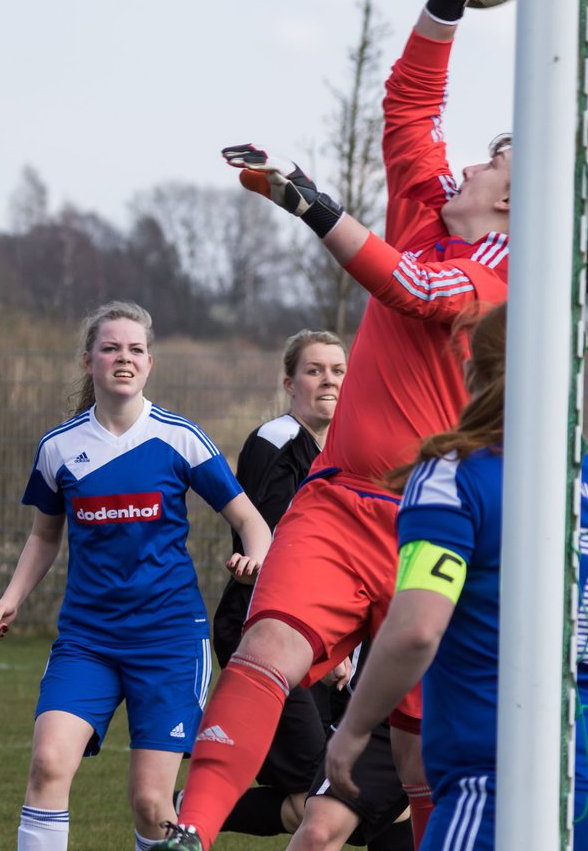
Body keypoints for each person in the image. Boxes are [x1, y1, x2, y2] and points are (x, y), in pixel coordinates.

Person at [158, 0, 522, 847]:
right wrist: (446, 5)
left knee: (424, 755)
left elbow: (417, 292)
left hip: (434, 525)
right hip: (336, 502)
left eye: (491, 165)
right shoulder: (430, 209)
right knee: (266, 654)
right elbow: (409, 101)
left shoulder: (508, 270)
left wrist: (313, 205)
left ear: (515, 203)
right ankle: (191, 834)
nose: (466, 165)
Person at [325, 303, 588, 851]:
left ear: (471, 375)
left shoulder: (451, 477)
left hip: (502, 788)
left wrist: (352, 730)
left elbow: (417, 630)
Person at [0, 300, 272, 851]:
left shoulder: (180, 437)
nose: (123, 358)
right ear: (89, 361)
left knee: (150, 803)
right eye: (110, 348)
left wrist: (254, 556)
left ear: (149, 363)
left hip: (167, 639)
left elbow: (252, 522)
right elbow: (45, 535)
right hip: (87, 639)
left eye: (134, 349)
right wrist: (11, 597)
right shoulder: (59, 447)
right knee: (46, 764)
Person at [210, 330, 413, 851]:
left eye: (339, 369)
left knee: (352, 793)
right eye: (314, 369)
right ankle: (186, 814)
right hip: (273, 631)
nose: (329, 380)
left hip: (331, 638)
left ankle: (188, 808)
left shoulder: (353, 450)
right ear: (288, 382)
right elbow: (276, 536)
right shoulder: (276, 441)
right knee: (327, 788)